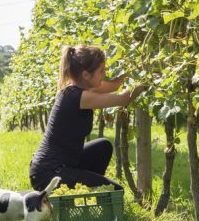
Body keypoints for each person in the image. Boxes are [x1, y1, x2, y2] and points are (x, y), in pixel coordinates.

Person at [29, 45, 148, 192]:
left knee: (103, 146)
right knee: (115, 191)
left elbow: (115, 85)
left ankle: (88, 190)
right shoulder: (78, 97)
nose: (104, 74)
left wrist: (134, 71)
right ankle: (90, 193)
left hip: (62, 165)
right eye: (101, 71)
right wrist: (146, 78)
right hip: (48, 173)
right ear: (85, 74)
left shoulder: (80, 88)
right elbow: (123, 98)